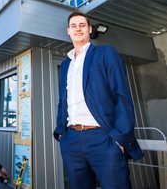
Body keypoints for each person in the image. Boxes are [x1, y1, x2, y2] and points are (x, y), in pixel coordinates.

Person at [54, 11, 143, 189]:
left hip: (103, 139)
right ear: (68, 31)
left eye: (82, 25)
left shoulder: (105, 53)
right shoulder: (66, 64)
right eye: (73, 26)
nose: (78, 29)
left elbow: (122, 95)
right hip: (71, 140)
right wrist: (61, 133)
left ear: (89, 29)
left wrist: (118, 138)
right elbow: (63, 100)